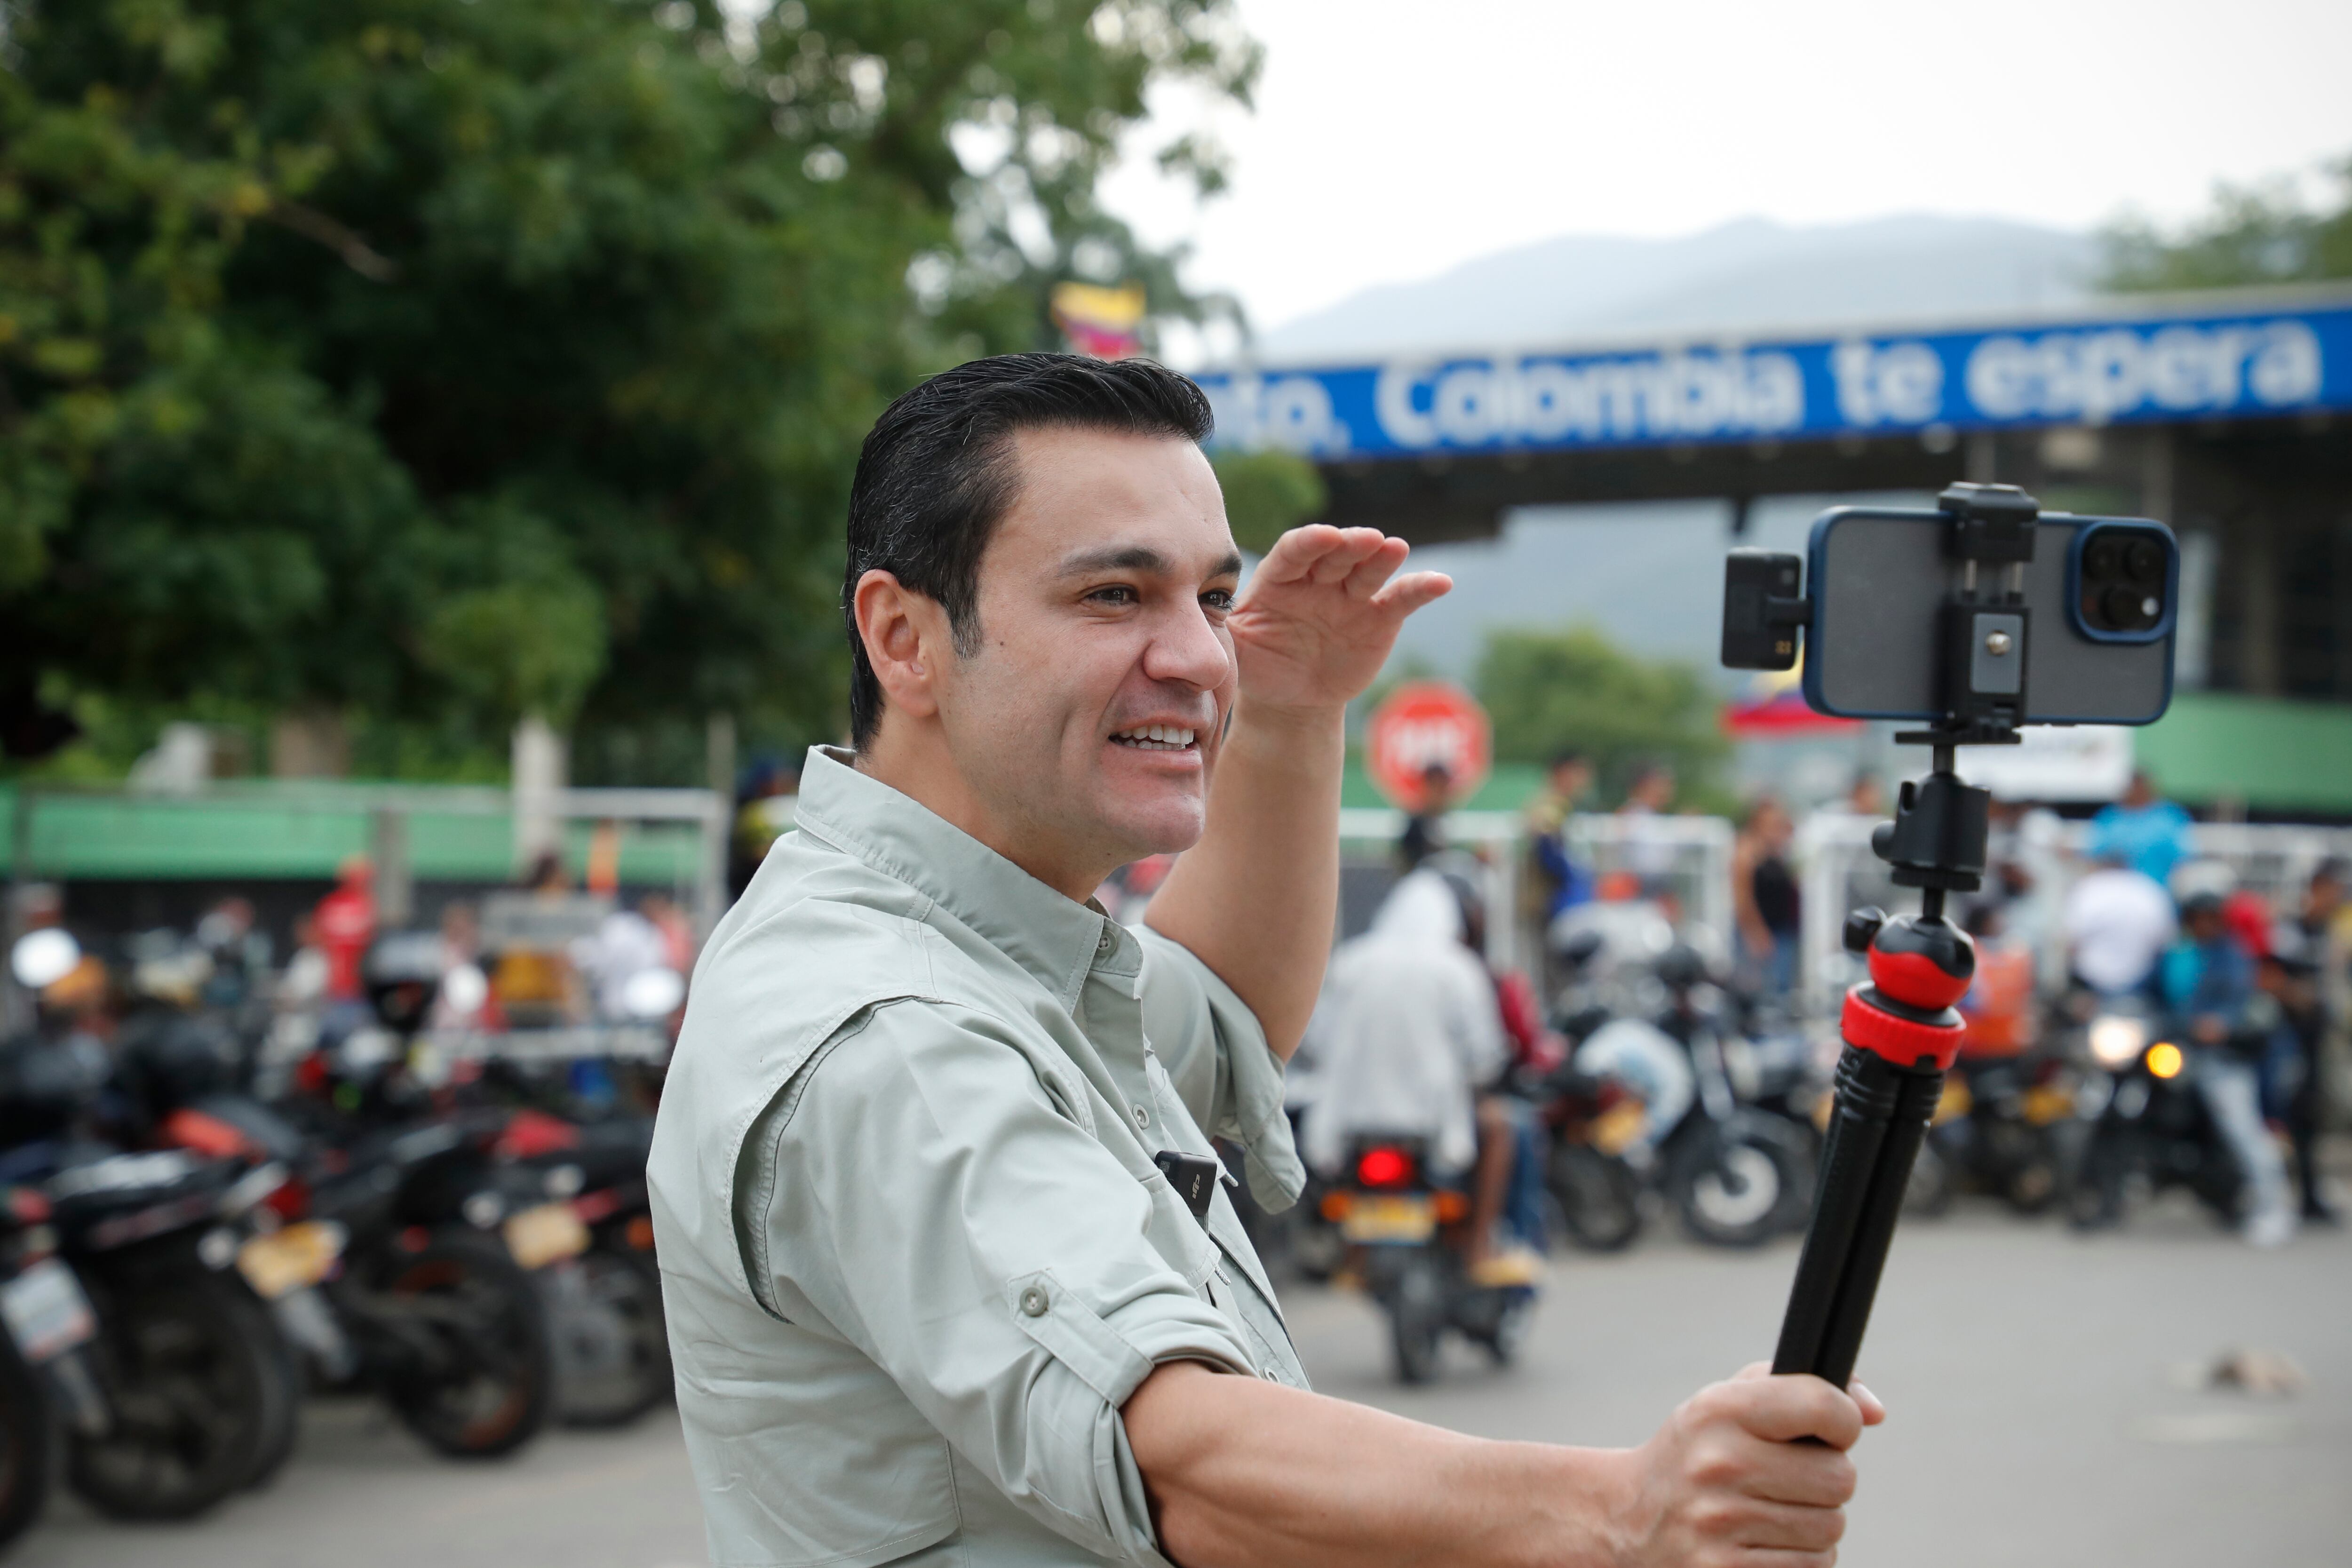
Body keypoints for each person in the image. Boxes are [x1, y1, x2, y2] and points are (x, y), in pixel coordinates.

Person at [647, 354, 1877, 1568]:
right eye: (1115, 595)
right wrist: (1624, 1512)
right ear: (905, 637)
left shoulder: (990, 945)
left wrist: (1291, 708)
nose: (1196, 654)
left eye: (1213, 598)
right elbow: (1179, 1457)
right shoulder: (889, 1027)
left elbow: (1221, 1001)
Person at [1300, 866, 1534, 1283]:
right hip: (1434, 1125)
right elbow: (1485, 1057)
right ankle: (1481, 1247)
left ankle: (1352, 1255)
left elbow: (1315, 1041)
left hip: (1351, 1123)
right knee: (1506, 1129)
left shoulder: (1350, 962)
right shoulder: (1456, 967)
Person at [2161, 891, 2296, 1247]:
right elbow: (2155, 989)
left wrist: (2219, 1023)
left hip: (2221, 1058)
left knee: (2243, 1131)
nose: (2203, 924)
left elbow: (2237, 1001)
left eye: (2210, 917)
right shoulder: (2179, 952)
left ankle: (2274, 1207)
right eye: (2197, 917)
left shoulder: (2231, 955)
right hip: (2178, 1051)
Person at [2061, 853, 2176, 998]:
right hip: (2140, 979)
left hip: (2093, 981)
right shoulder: (2149, 888)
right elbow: (2165, 942)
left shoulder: (2089, 887)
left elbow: (2070, 942)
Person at [1731, 796, 1800, 998]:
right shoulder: (1747, 851)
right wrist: (1756, 932)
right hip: (1760, 933)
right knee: (1757, 991)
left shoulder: (1778, 850)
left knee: (1780, 990)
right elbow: (1743, 897)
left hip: (1782, 930)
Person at [2085, 768, 2194, 890]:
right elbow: (2095, 854)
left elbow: (2184, 858)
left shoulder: (2169, 817)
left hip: (2157, 892)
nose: (2135, 792)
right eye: (2132, 787)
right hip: (2116, 892)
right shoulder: (2110, 818)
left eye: (2139, 787)